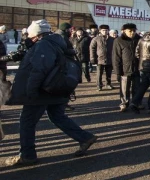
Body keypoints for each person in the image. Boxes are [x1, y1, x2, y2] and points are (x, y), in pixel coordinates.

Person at [5, 20, 97, 166]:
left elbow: (39, 69)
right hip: (57, 88)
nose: (28, 36)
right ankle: (84, 138)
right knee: (57, 116)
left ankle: (27, 155)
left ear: (36, 33)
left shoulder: (43, 45)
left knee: (27, 122)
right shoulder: (55, 42)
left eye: (30, 34)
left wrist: (31, 91)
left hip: (43, 90)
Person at [113, 23, 141, 112]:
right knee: (124, 88)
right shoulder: (119, 40)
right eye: (130, 31)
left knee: (137, 87)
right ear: (124, 31)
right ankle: (124, 103)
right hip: (124, 69)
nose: (132, 33)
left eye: (134, 31)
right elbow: (116, 57)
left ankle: (136, 103)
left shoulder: (139, 39)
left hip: (137, 68)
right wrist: (118, 71)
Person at [90, 24, 115, 91]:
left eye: (106, 30)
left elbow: (115, 50)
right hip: (99, 59)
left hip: (109, 58)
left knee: (109, 73)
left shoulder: (112, 39)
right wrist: (92, 58)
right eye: (103, 30)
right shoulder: (96, 39)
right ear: (100, 31)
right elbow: (92, 49)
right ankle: (99, 85)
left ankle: (108, 84)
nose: (105, 31)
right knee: (99, 73)